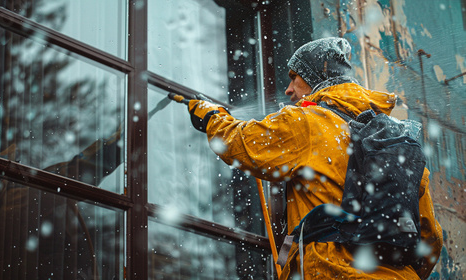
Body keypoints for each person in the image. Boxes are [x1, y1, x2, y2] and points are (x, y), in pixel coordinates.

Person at [186, 37, 443, 279]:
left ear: (315, 78)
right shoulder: (394, 138)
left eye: (294, 78)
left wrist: (211, 116)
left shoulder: (308, 122)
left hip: (333, 272)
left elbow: (239, 143)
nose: (288, 90)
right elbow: (431, 237)